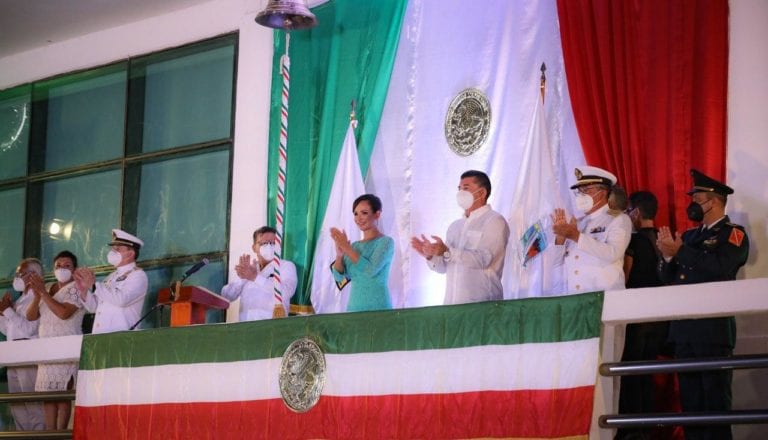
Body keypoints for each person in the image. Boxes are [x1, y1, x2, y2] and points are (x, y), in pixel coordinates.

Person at [656, 169, 749, 440]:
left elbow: (722, 266)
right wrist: (667, 256)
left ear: (714, 201)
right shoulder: (689, 236)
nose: (693, 204)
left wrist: (681, 252)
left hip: (713, 330)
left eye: (698, 198)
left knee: (715, 404)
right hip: (685, 330)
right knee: (691, 405)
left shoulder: (733, 234)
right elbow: (666, 276)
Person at [616, 191, 670, 440]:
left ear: (635, 213)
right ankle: (647, 429)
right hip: (660, 317)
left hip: (636, 317)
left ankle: (633, 430)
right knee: (647, 374)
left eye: (628, 212)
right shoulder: (664, 239)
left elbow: (624, 276)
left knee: (630, 374)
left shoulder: (633, 242)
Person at [411, 170, 510, 305]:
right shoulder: (455, 226)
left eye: (466, 188)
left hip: (483, 305)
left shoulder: (495, 221)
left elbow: (483, 259)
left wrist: (447, 252)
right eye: (459, 189)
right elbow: (443, 268)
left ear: (482, 193)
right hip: (452, 305)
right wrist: (430, 255)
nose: (460, 193)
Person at [25, 250, 85, 430]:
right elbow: (31, 316)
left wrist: (43, 293)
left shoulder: (76, 287)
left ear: (75, 269)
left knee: (62, 395)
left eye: (67, 266)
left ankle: (60, 433)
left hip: (66, 347)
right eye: (58, 265)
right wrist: (37, 296)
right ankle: (49, 433)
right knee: (48, 396)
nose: (62, 269)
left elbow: (63, 313)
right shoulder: (48, 287)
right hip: (47, 350)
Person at [550, 166, 632, 294]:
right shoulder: (579, 223)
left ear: (603, 192)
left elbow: (613, 253)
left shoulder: (619, 219)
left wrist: (576, 236)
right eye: (578, 191)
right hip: (575, 298)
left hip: (606, 298)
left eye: (586, 190)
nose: (581, 195)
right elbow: (555, 263)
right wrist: (560, 238)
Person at [74, 229, 148, 334]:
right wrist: (84, 291)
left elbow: (122, 300)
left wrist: (94, 285)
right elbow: (94, 307)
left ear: (130, 254)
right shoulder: (111, 277)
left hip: (122, 336)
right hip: (101, 335)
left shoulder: (138, 275)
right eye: (112, 249)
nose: (112, 252)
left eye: (117, 249)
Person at [0, 258, 45, 431]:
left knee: (34, 406)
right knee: (17, 406)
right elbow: (8, 331)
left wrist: (8, 311)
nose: (17, 277)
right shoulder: (20, 301)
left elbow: (30, 330)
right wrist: (2, 312)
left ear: (33, 275)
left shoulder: (39, 297)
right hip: (14, 357)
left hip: (29, 356)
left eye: (21, 273)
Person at [329, 194, 394, 312]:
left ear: (377, 214)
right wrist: (339, 255)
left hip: (379, 309)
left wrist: (346, 248)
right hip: (354, 308)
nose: (359, 218)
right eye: (355, 214)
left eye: (364, 213)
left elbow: (370, 270)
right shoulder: (354, 246)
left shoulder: (386, 242)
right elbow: (339, 277)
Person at [220, 226, 297, 320]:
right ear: (254, 248)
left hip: (272, 328)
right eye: (264, 243)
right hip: (245, 329)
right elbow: (226, 297)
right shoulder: (248, 268)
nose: (269, 246)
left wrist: (255, 278)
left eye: (273, 243)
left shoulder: (286, 266)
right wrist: (242, 278)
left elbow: (286, 292)